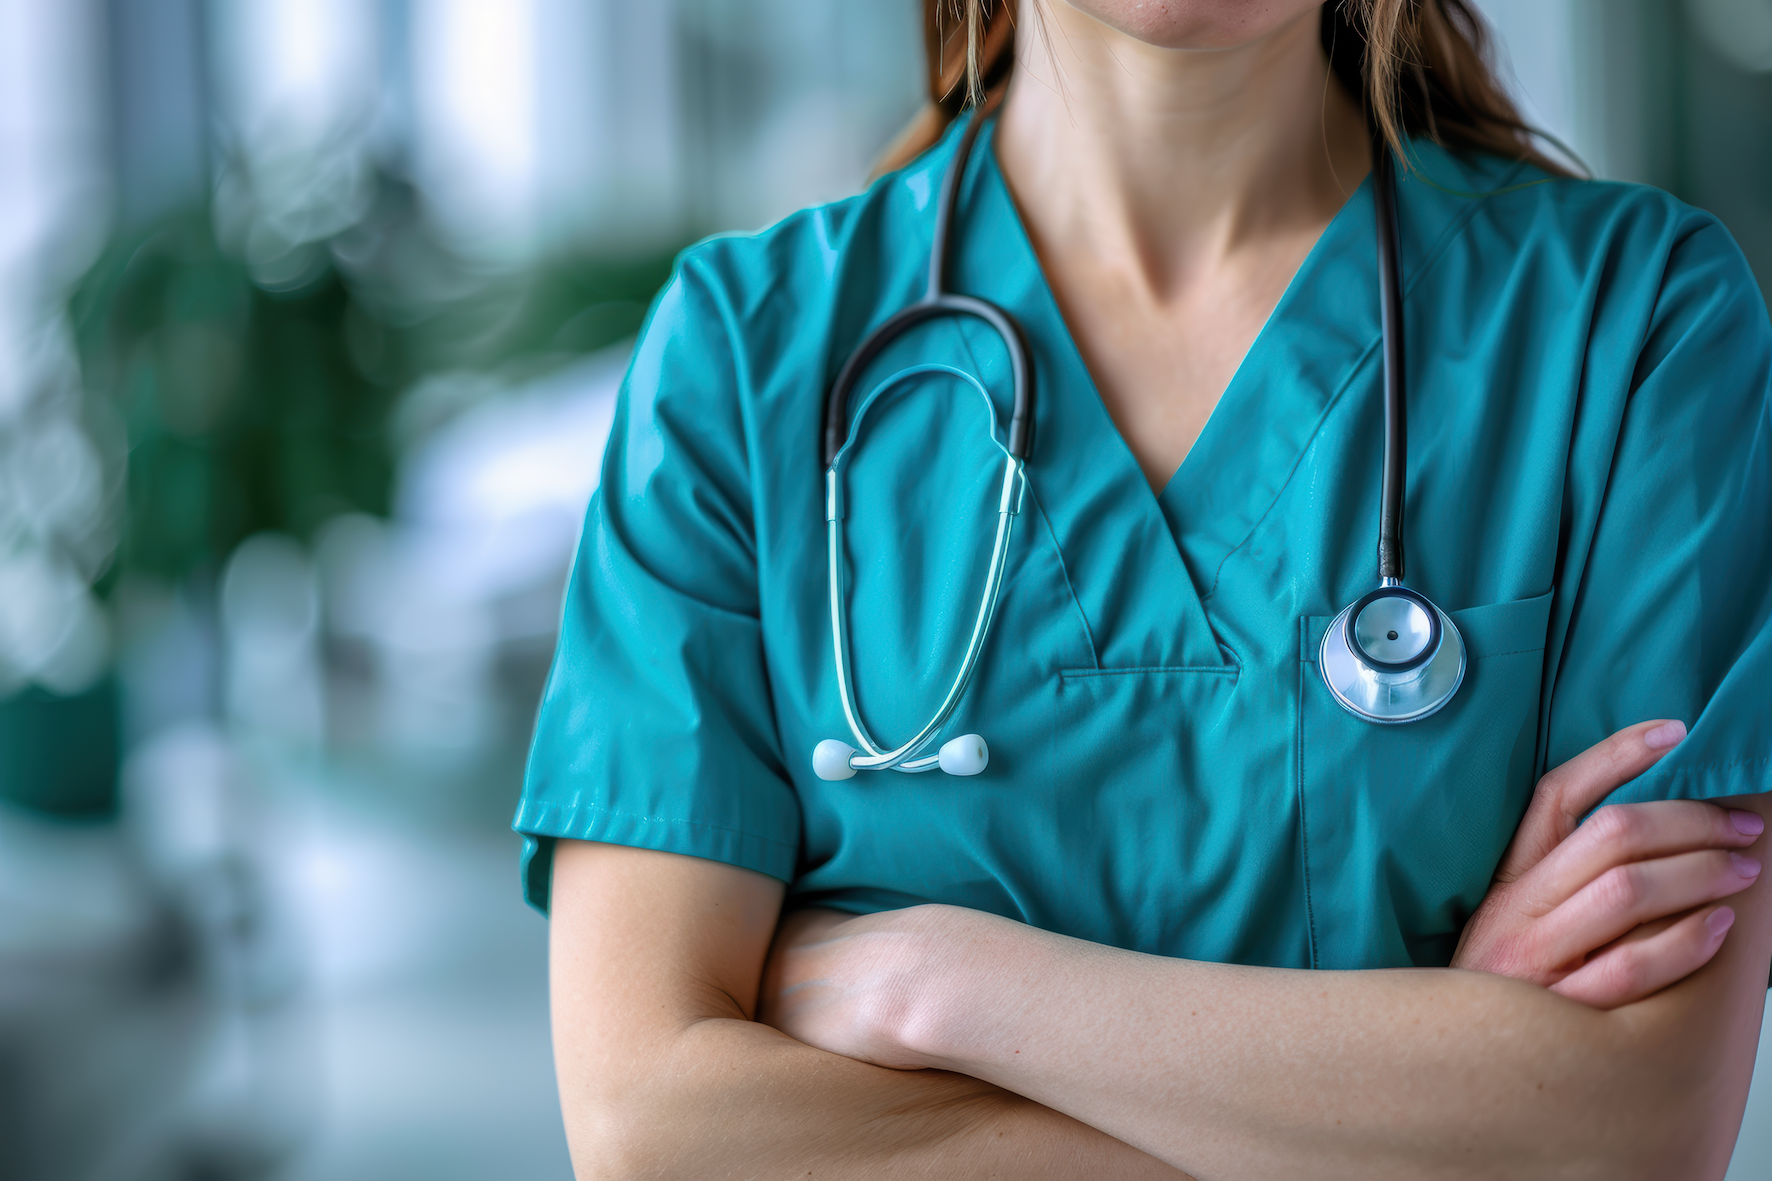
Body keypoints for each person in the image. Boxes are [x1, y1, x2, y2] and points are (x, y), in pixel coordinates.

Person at [520, 1, 1772, 1176]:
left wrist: (935, 984)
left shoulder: (1637, 323)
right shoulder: (743, 356)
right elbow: (650, 1120)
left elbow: (1635, 1119)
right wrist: (1431, 1102)